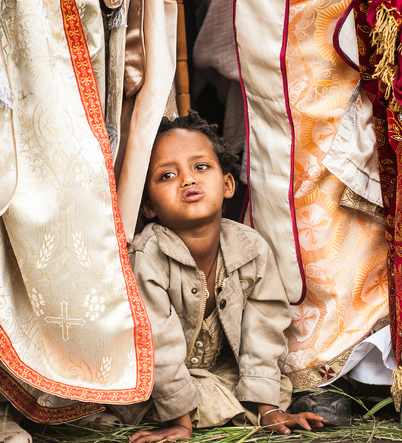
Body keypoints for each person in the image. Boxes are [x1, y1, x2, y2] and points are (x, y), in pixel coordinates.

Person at [113, 111, 324, 442]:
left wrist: (268, 409)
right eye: (166, 175)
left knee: (265, 388)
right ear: (148, 206)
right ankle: (188, 413)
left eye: (200, 167)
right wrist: (180, 422)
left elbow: (263, 328)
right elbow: (158, 345)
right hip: (162, 382)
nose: (188, 179)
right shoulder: (147, 257)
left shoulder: (250, 248)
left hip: (218, 374)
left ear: (227, 184)